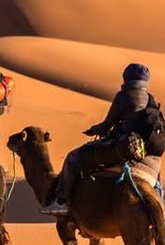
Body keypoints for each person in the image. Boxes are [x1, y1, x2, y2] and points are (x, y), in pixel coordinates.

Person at [41, 63, 153, 215]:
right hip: (146, 151)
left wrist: (92, 130)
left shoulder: (124, 96)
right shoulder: (150, 99)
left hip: (124, 147)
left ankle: (61, 202)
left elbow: (107, 124)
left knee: (72, 158)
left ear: (126, 78)